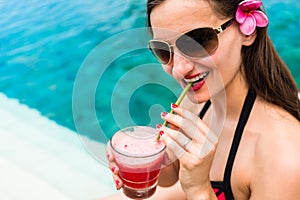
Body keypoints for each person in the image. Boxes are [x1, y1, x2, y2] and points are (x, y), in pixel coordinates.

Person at [103, 0, 300, 199]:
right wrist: (147, 161)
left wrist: (199, 191)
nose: (179, 69)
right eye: (164, 50)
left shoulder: (284, 157)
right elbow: (169, 180)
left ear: (247, 32)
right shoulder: (194, 106)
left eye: (197, 41)